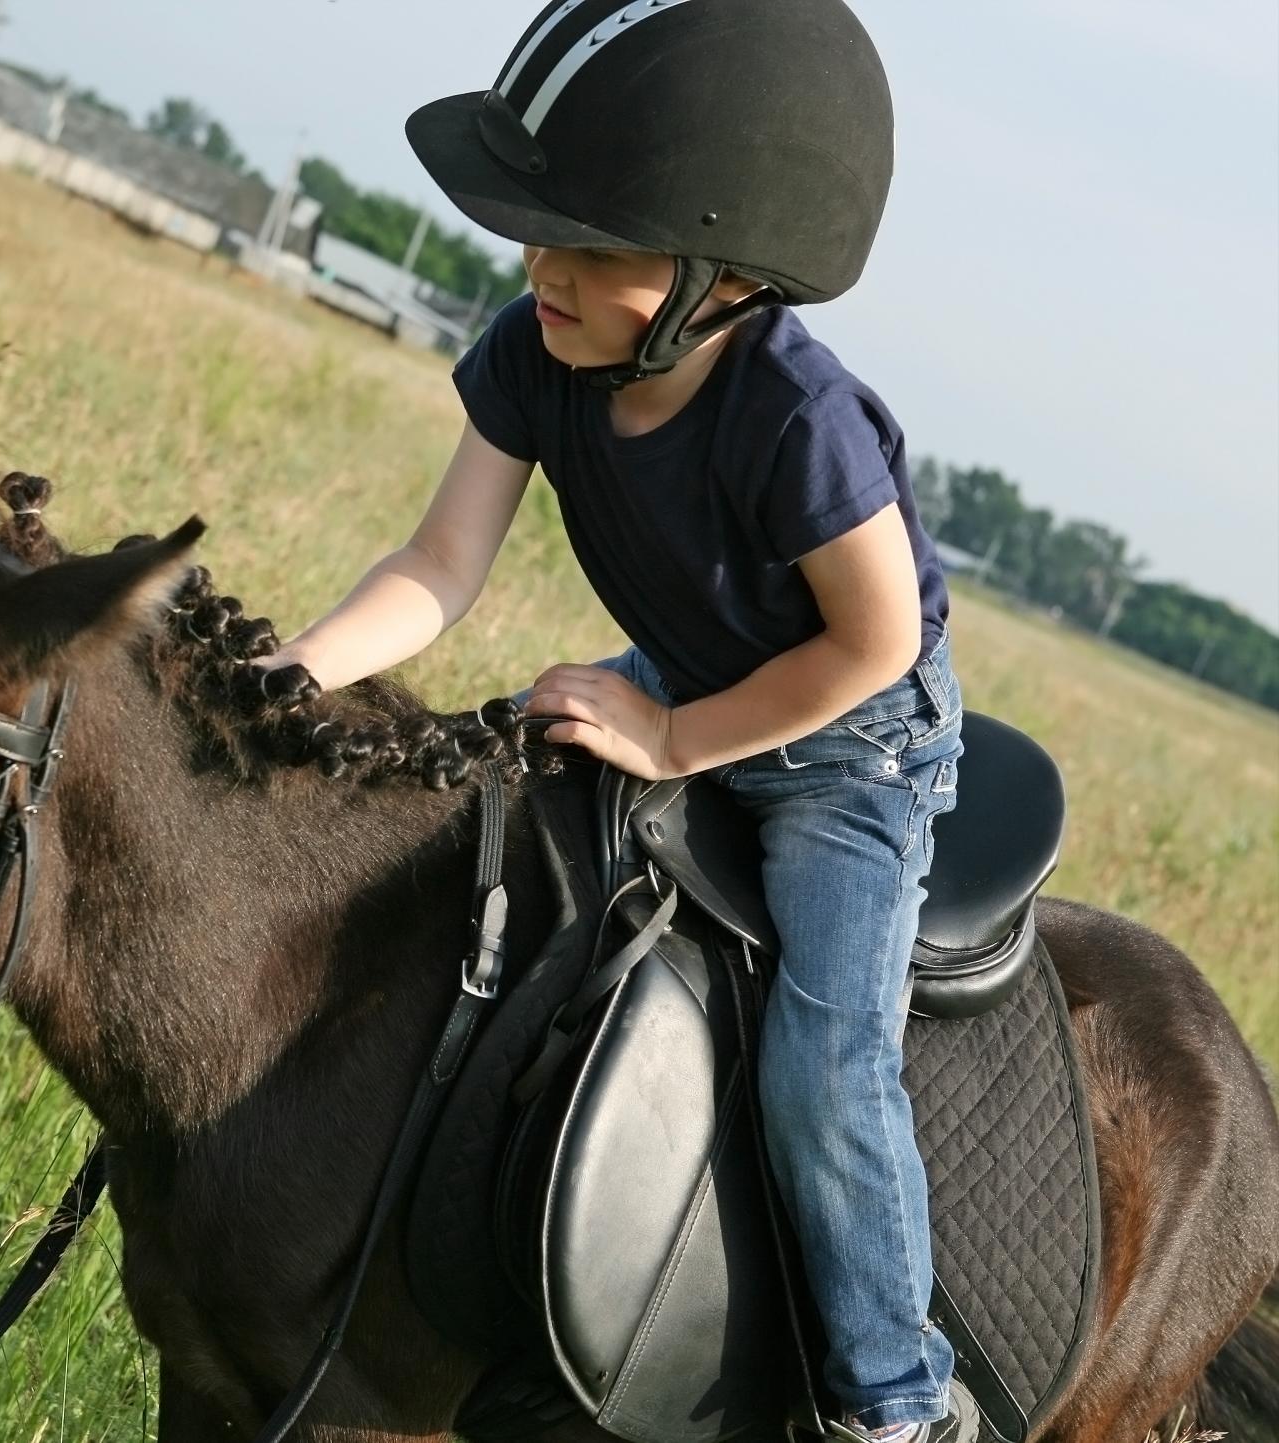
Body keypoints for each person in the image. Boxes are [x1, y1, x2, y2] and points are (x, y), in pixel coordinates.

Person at [250, 2, 980, 1438]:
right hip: (694, 666)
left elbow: (875, 638)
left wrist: (672, 742)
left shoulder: (796, 417)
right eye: (538, 237)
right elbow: (437, 564)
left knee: (824, 1060)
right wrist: (296, 674)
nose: (544, 273)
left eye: (591, 247)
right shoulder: (542, 351)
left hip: (847, 742)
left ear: (724, 272)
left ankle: (896, 1400)